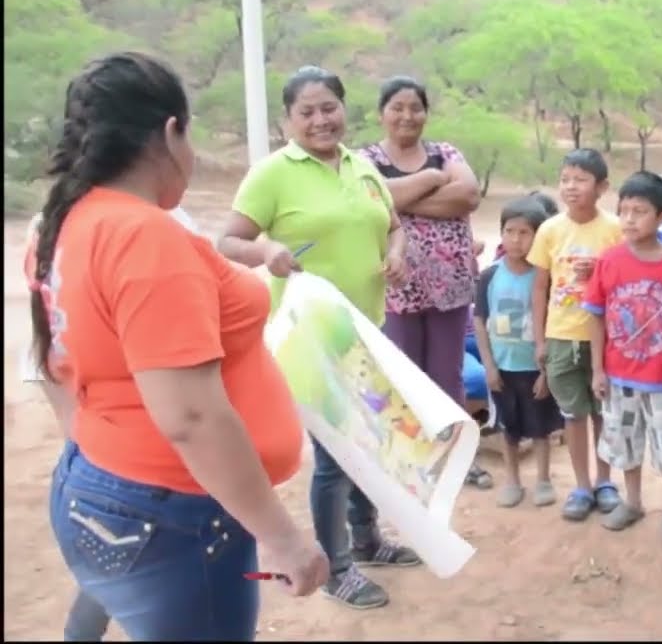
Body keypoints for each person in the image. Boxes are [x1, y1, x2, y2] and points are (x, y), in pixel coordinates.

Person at [38, 52, 327, 641]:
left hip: (99, 484)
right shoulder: (144, 236)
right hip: (175, 516)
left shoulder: (66, 221)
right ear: (171, 133)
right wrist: (283, 539)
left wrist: (102, 447)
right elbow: (191, 416)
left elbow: (53, 362)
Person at [218, 66, 415, 610]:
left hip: (367, 332)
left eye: (329, 107)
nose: (320, 120)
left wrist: (396, 253)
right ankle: (339, 567)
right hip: (309, 340)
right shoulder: (273, 173)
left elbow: (393, 224)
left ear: (343, 109)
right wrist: (267, 254)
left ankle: (369, 539)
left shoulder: (363, 167)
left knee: (368, 446)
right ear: (288, 120)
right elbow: (229, 241)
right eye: (306, 111)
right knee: (335, 457)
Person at [21, 205, 206, 642]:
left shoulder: (168, 218)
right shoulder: (97, 223)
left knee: (127, 549)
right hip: (116, 396)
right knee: (125, 537)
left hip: (131, 396)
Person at [359, 75, 494, 490]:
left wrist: (398, 196)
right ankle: (409, 463)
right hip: (395, 285)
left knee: (446, 376)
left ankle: (453, 459)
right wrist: (434, 181)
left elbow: (468, 196)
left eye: (415, 107)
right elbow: (367, 200)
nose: (407, 116)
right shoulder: (363, 158)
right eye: (397, 107)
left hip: (449, 285)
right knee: (403, 376)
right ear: (381, 113)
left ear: (426, 113)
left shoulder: (444, 151)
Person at [582, 171, 662, 539]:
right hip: (618, 374)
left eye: (639, 211)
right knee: (624, 440)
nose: (629, 219)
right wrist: (597, 369)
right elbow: (595, 318)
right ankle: (632, 501)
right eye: (624, 210)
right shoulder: (609, 261)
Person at [529, 149, 624, 521]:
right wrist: (540, 340)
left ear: (601, 187)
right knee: (573, 413)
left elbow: (622, 280)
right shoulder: (550, 230)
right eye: (565, 178)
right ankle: (582, 486)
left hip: (605, 337)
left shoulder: (614, 228)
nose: (570, 186)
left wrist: (599, 275)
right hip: (561, 335)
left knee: (603, 411)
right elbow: (539, 288)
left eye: (580, 179)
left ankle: (605, 482)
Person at [474, 197, 564, 508]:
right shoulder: (489, 276)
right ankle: (512, 480)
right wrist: (488, 365)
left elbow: (553, 323)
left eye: (524, 233)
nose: (515, 239)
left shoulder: (545, 279)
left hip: (534, 367)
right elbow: (479, 322)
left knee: (540, 427)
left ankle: (543, 479)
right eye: (509, 231)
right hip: (502, 368)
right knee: (508, 428)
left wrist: (546, 372)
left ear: (538, 237)